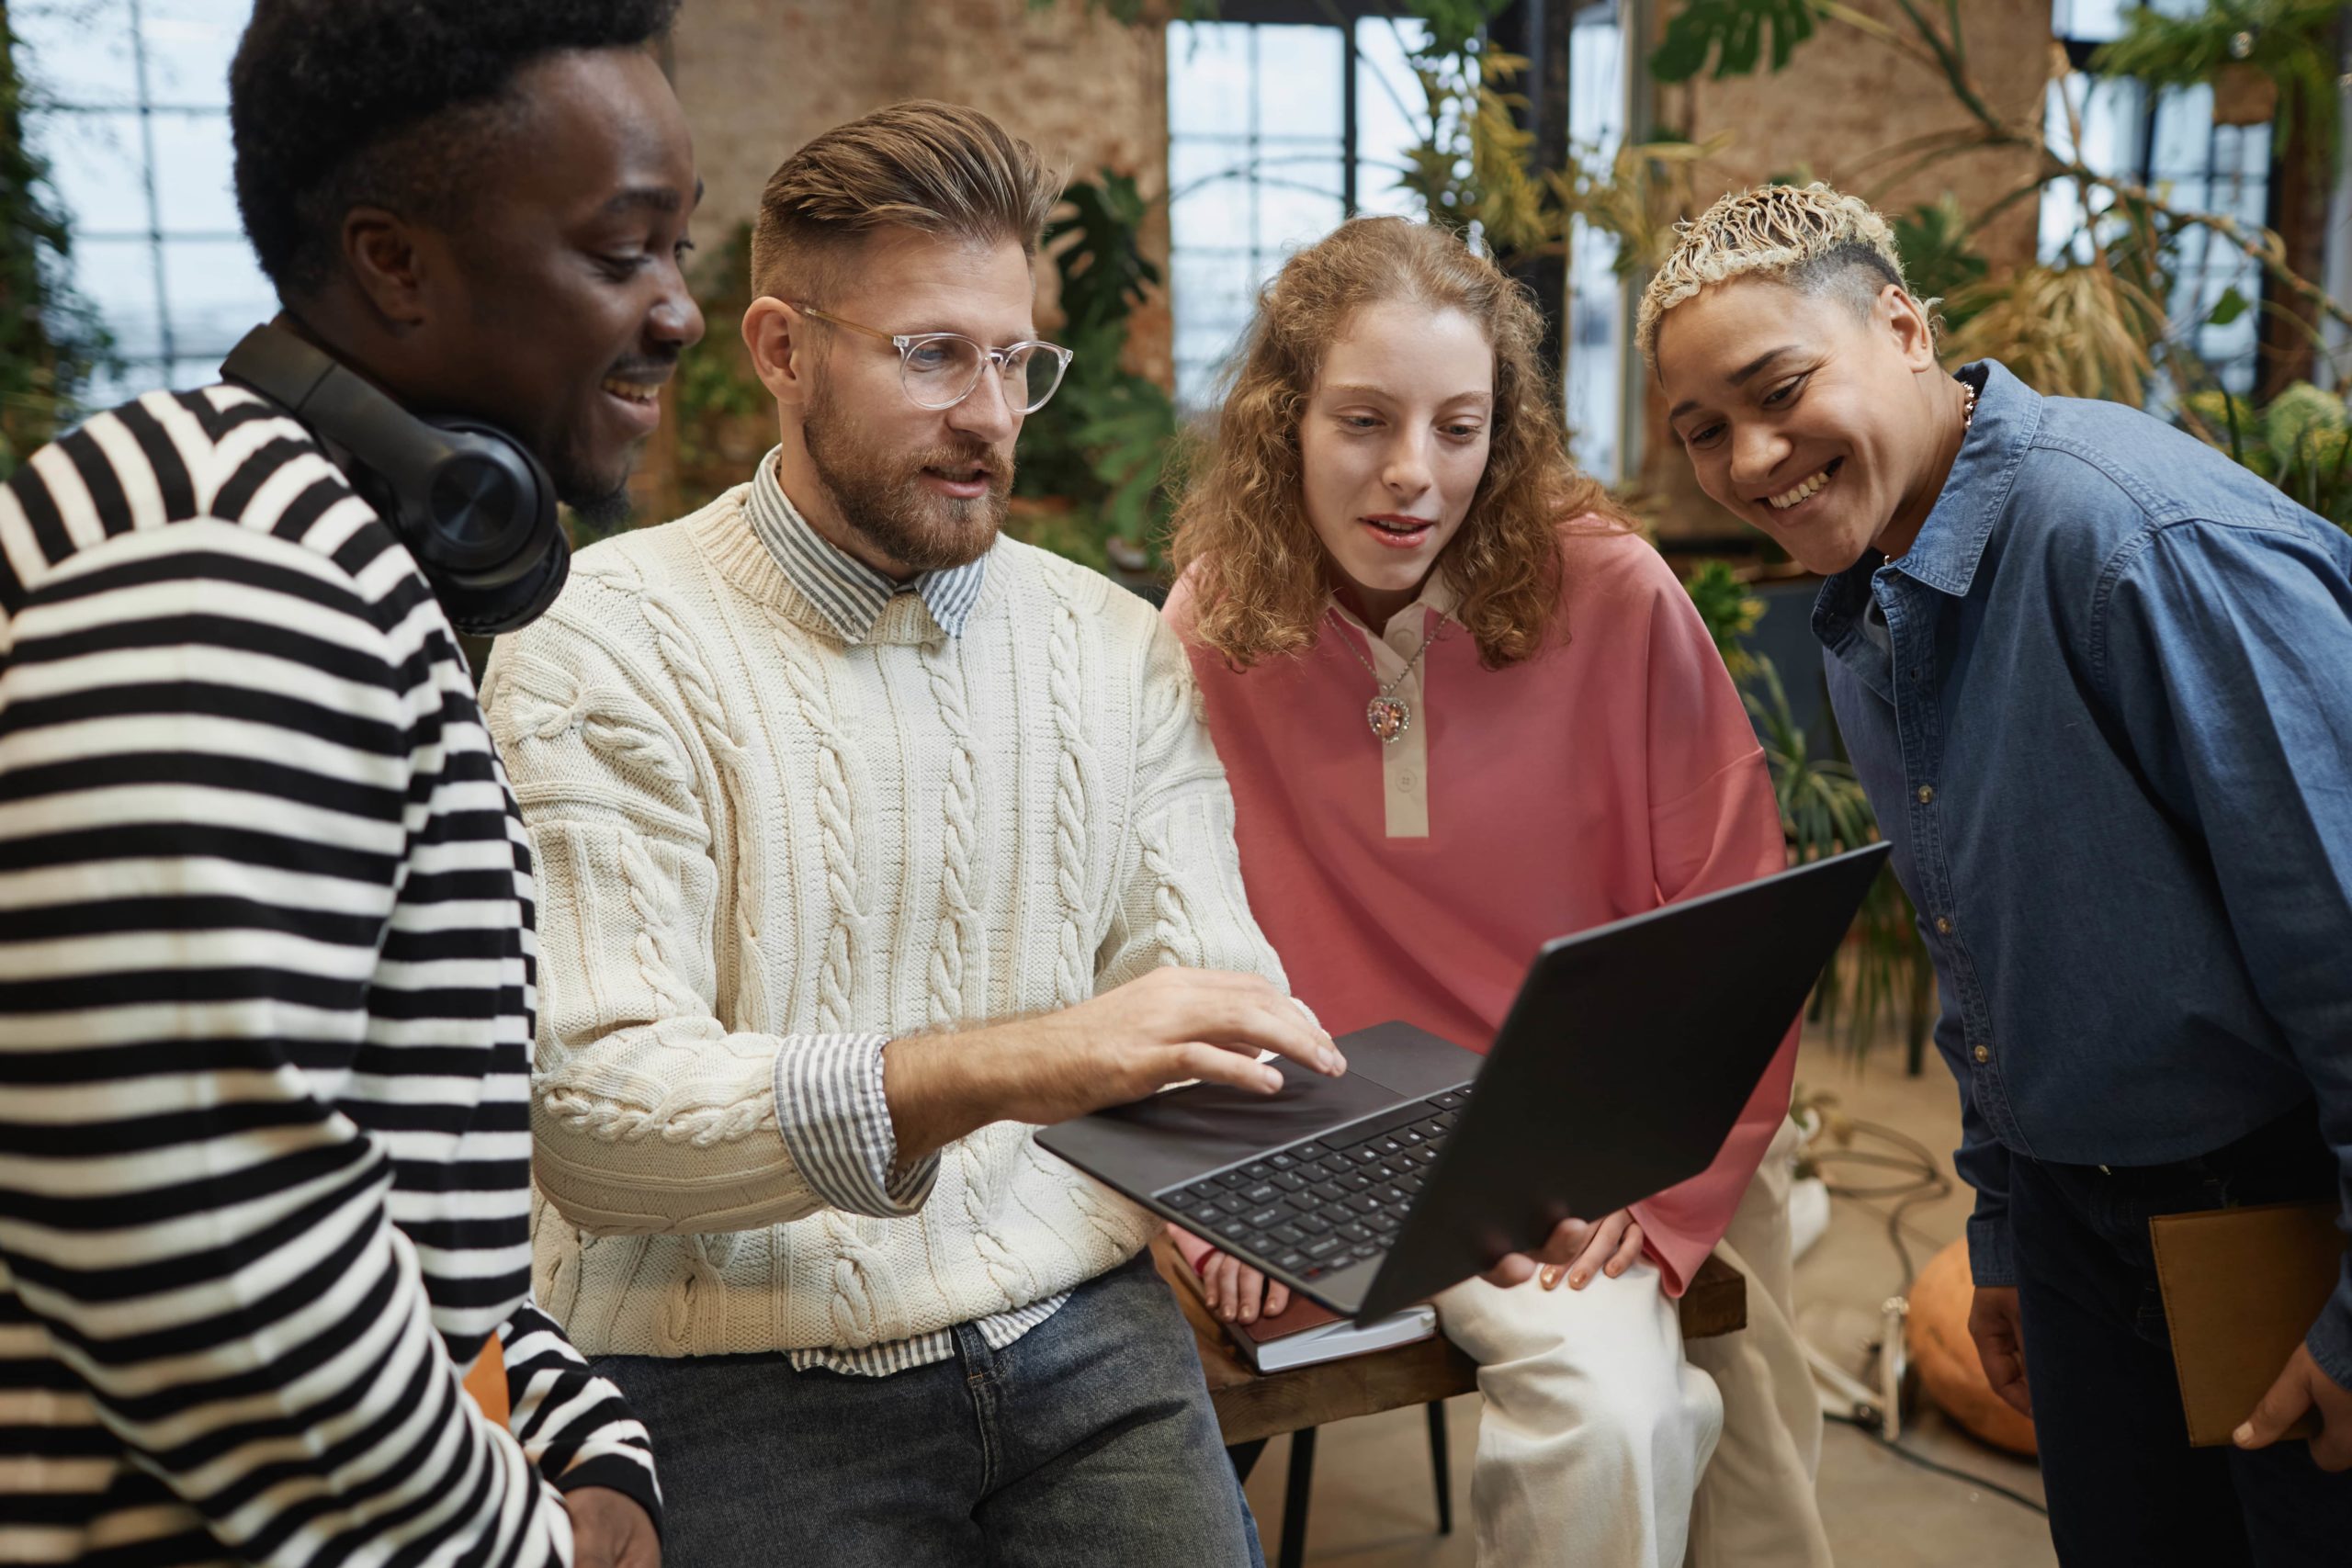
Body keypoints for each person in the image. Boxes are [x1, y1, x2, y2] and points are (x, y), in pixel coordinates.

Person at [476, 100, 1355, 1568]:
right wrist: (1014, 1062)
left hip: (1087, 1336)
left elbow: (1207, 996)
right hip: (732, 1364)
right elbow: (598, 1121)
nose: (993, 416)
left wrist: (1431, 1188)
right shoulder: (598, 641)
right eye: (933, 356)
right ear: (780, 348)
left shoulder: (1110, 642)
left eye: (1016, 360)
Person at [0, 3, 703, 1565]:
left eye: (680, 252)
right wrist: (519, 1537)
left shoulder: (305, 544)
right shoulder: (229, 575)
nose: (678, 314)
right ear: (396, 263)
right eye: (620, 251)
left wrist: (581, 1437)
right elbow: (185, 1218)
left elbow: (383, 1186)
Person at [1643, 180, 2352, 1565]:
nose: (1752, 457)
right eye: (1703, 432)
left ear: (1903, 327)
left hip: (2272, 1214)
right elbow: (1980, 959)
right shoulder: (1868, 601)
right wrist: (2012, 1231)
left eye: (1779, 388)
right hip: (2084, 1218)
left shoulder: (2139, 545)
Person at [1162, 215, 1831, 1568]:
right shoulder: (1215, 615)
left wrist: (1652, 1190)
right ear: (1286, 421)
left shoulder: (1617, 594)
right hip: (1327, 1143)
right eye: (1363, 421)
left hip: (1564, 1154)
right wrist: (1212, 1186)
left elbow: (1737, 928)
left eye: (1459, 429)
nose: (1414, 475)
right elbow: (1161, 926)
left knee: (1619, 1417)